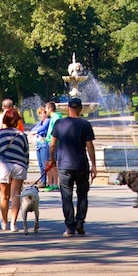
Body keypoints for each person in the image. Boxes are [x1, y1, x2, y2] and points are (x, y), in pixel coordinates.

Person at [48, 97, 96, 236]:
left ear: (68, 108)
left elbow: (52, 144)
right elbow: (89, 146)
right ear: (80, 109)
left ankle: (70, 227)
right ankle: (80, 222)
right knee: (82, 195)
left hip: (64, 165)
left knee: (66, 196)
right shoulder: (85, 124)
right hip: (81, 165)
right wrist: (94, 165)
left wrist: (52, 159)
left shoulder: (59, 123)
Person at [0, 107, 30, 232]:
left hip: (4, 165)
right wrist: (26, 166)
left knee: (4, 196)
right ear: (16, 121)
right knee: (16, 196)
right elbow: (26, 154)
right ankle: (13, 224)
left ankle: (4, 222)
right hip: (19, 166)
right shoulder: (21, 135)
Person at [29, 107, 51, 187]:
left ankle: (46, 181)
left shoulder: (48, 121)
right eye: (40, 114)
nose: (42, 115)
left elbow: (42, 129)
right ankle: (43, 180)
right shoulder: (41, 122)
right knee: (41, 164)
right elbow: (33, 129)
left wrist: (36, 131)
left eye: (43, 113)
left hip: (44, 143)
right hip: (39, 144)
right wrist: (34, 131)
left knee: (45, 163)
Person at [42, 101, 62, 190]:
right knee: (48, 163)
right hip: (49, 141)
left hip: (53, 142)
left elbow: (56, 131)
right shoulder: (53, 117)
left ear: (50, 109)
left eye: (46, 109)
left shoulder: (56, 118)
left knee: (52, 163)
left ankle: (54, 183)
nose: (45, 111)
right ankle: (50, 183)